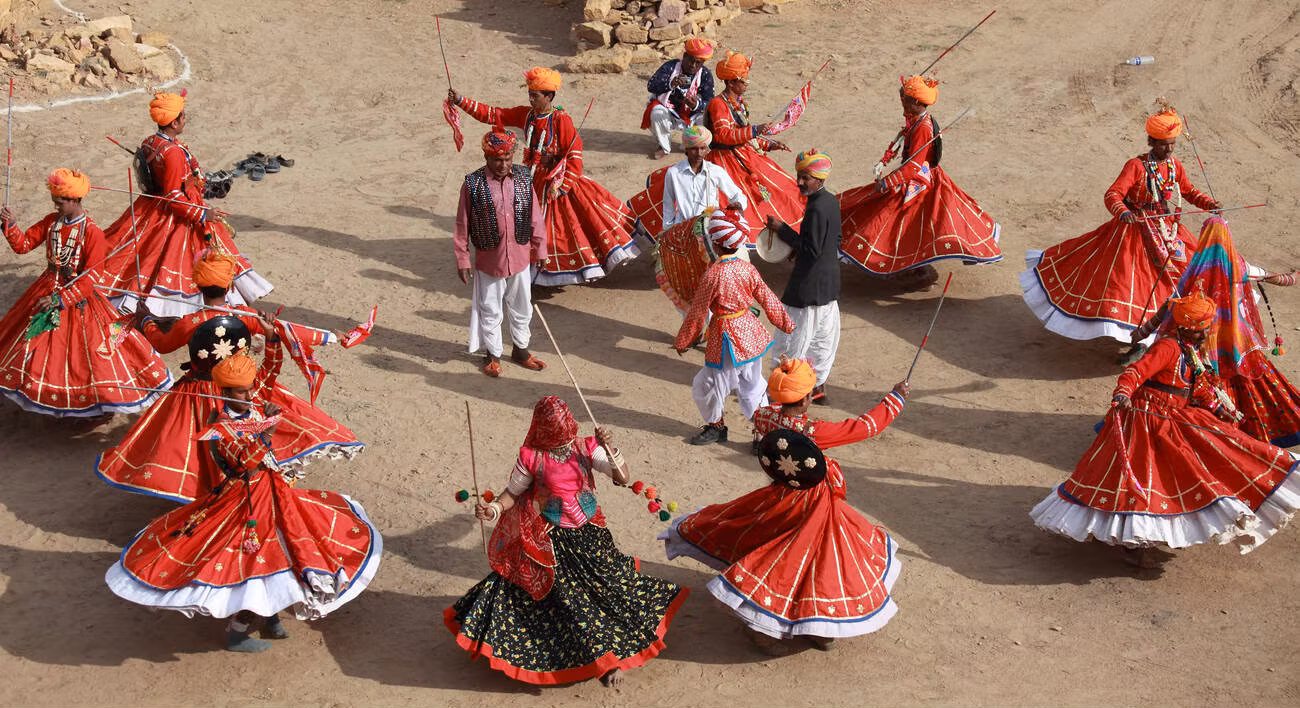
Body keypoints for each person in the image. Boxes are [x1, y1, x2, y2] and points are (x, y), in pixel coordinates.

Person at [105, 350, 382, 653]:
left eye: (250, 388)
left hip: (271, 492)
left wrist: (272, 339)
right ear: (224, 392)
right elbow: (245, 464)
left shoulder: (250, 406)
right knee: (256, 564)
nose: (250, 394)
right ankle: (237, 632)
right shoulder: (221, 427)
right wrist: (268, 433)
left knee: (281, 554)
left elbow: (271, 371)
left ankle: (270, 618)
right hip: (245, 499)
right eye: (241, 391)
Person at [1030, 293, 1300, 568]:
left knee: (1184, 473)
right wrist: (1123, 394)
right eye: (1203, 329)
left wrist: (1220, 409)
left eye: (1207, 328)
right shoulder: (1168, 348)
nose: (1207, 333)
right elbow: (1135, 373)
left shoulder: (1191, 350)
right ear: (1189, 328)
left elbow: (1198, 388)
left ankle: (1145, 538)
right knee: (1145, 481)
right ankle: (1133, 546)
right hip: (1146, 421)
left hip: (1174, 417)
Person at [444, 396, 687, 687]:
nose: (563, 436)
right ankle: (604, 662)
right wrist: (493, 509)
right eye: (557, 431)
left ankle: (613, 646)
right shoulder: (531, 457)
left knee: (607, 586)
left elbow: (623, 477)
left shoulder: (586, 447)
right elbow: (512, 494)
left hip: (590, 533)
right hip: (553, 539)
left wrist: (610, 447)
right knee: (571, 600)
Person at [96, 276, 361, 503]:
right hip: (241, 386)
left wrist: (146, 320)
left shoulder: (190, 321)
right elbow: (288, 331)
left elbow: (162, 344)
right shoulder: (243, 315)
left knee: (193, 445)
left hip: (199, 389)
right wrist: (332, 336)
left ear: (198, 286)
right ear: (231, 286)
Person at [660, 428, 902, 653]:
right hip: (814, 511)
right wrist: (896, 401)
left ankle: (813, 625)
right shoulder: (817, 430)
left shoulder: (768, 416)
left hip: (785, 502)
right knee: (807, 567)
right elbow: (860, 428)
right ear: (806, 400)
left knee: (788, 558)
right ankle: (768, 627)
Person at [1021, 100, 1221, 361]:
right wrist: (1123, 212)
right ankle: (1137, 340)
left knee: (1178, 278)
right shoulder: (1136, 166)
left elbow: (1188, 191)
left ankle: (1157, 335)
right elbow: (1113, 194)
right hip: (1133, 233)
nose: (1168, 149)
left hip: (1166, 231)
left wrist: (1209, 204)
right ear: (1151, 141)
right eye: (1163, 144)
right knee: (1132, 286)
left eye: (1172, 144)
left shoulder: (1174, 166)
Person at [0, 168, 171, 419]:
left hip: (76, 299)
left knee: (86, 354)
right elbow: (23, 245)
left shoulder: (92, 233)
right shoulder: (51, 222)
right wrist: (10, 224)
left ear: (74, 200)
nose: (56, 206)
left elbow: (91, 278)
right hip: (45, 288)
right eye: (55, 201)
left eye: (60, 202)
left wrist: (60, 300)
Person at [448, 68, 639, 286]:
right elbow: (493, 114)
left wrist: (562, 186)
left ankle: (541, 274)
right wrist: (461, 101)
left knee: (557, 230)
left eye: (535, 95)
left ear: (549, 96)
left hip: (557, 184)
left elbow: (574, 156)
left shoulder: (561, 120)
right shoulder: (527, 115)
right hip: (532, 180)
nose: (530, 99)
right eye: (529, 94)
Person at [98, 91, 272, 316]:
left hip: (152, 206)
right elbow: (173, 195)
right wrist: (203, 215)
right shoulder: (172, 153)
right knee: (179, 259)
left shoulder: (151, 142)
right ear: (174, 122)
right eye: (182, 116)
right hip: (180, 213)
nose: (184, 120)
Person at [1130, 217, 1300, 446]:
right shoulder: (1238, 265)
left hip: (1196, 343)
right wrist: (1293, 277)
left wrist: (1143, 331)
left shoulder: (1195, 266)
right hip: (1236, 344)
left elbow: (1171, 305)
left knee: (1197, 382)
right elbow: (1272, 277)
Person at [838, 76, 1001, 290]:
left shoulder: (923, 127)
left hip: (917, 182)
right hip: (922, 176)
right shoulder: (918, 118)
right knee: (913, 227)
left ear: (916, 102)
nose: (902, 103)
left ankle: (918, 271)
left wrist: (887, 182)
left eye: (906, 99)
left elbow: (913, 166)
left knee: (904, 224)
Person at [675, 210, 795, 445]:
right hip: (750, 333)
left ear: (715, 244)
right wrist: (785, 322)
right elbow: (767, 297)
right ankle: (763, 432)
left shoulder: (713, 274)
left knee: (710, 384)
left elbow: (698, 312)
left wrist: (683, 340)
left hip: (725, 339)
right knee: (753, 384)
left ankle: (716, 427)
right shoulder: (747, 269)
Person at [453, 129, 548, 378]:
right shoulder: (472, 184)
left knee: (522, 306)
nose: (503, 165)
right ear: (486, 157)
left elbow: (535, 217)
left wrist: (540, 248)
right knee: (490, 307)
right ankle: (493, 354)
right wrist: (462, 259)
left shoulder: (524, 178)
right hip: (489, 259)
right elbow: (462, 224)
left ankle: (521, 350)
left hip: (520, 257)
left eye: (507, 159)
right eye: (497, 160)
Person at [701, 51, 804, 246]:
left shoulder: (739, 103)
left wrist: (769, 144)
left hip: (743, 154)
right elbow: (722, 135)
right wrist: (754, 130)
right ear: (731, 83)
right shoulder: (718, 104)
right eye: (743, 81)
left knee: (778, 188)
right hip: (724, 159)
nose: (746, 84)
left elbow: (745, 135)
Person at [765, 150, 842, 404]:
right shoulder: (830, 201)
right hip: (828, 283)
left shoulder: (816, 208)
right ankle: (817, 388)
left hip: (809, 287)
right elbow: (833, 241)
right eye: (799, 176)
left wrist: (783, 231)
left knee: (792, 340)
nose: (799, 182)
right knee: (820, 340)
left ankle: (785, 391)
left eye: (805, 178)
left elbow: (811, 250)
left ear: (819, 179)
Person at [752, 356, 910, 452]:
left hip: (778, 485)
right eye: (811, 394)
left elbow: (776, 409)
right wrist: (896, 397)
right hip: (808, 494)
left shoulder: (763, 415)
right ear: (804, 400)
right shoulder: (814, 433)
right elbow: (865, 427)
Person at [643, 38, 715, 160]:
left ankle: (692, 145)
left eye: (698, 63)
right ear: (685, 56)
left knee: (709, 117)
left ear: (702, 64)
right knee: (656, 113)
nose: (693, 65)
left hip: (691, 114)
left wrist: (696, 105)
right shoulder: (670, 67)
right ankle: (664, 146)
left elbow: (710, 102)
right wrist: (671, 84)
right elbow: (651, 86)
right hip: (670, 111)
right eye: (691, 60)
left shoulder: (705, 75)